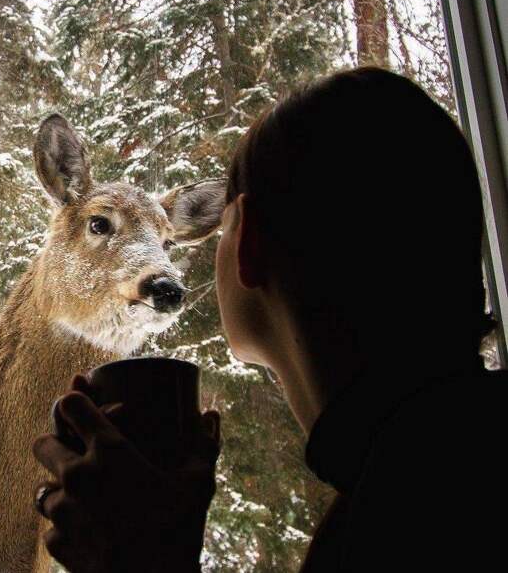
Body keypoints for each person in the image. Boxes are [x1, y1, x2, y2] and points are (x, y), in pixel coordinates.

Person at [32, 67, 508, 572]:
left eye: (219, 230)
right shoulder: (452, 464)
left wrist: (144, 562)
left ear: (248, 244)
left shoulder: (393, 515)